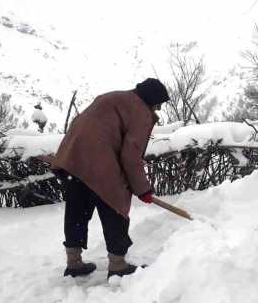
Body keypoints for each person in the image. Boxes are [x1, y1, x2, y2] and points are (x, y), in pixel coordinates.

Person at [51, 78, 169, 279]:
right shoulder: (140, 112)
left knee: (76, 210)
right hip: (99, 160)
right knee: (115, 207)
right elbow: (131, 156)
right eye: (159, 103)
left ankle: (74, 262)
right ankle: (117, 265)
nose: (158, 108)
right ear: (151, 99)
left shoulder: (113, 97)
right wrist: (143, 189)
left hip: (71, 159)